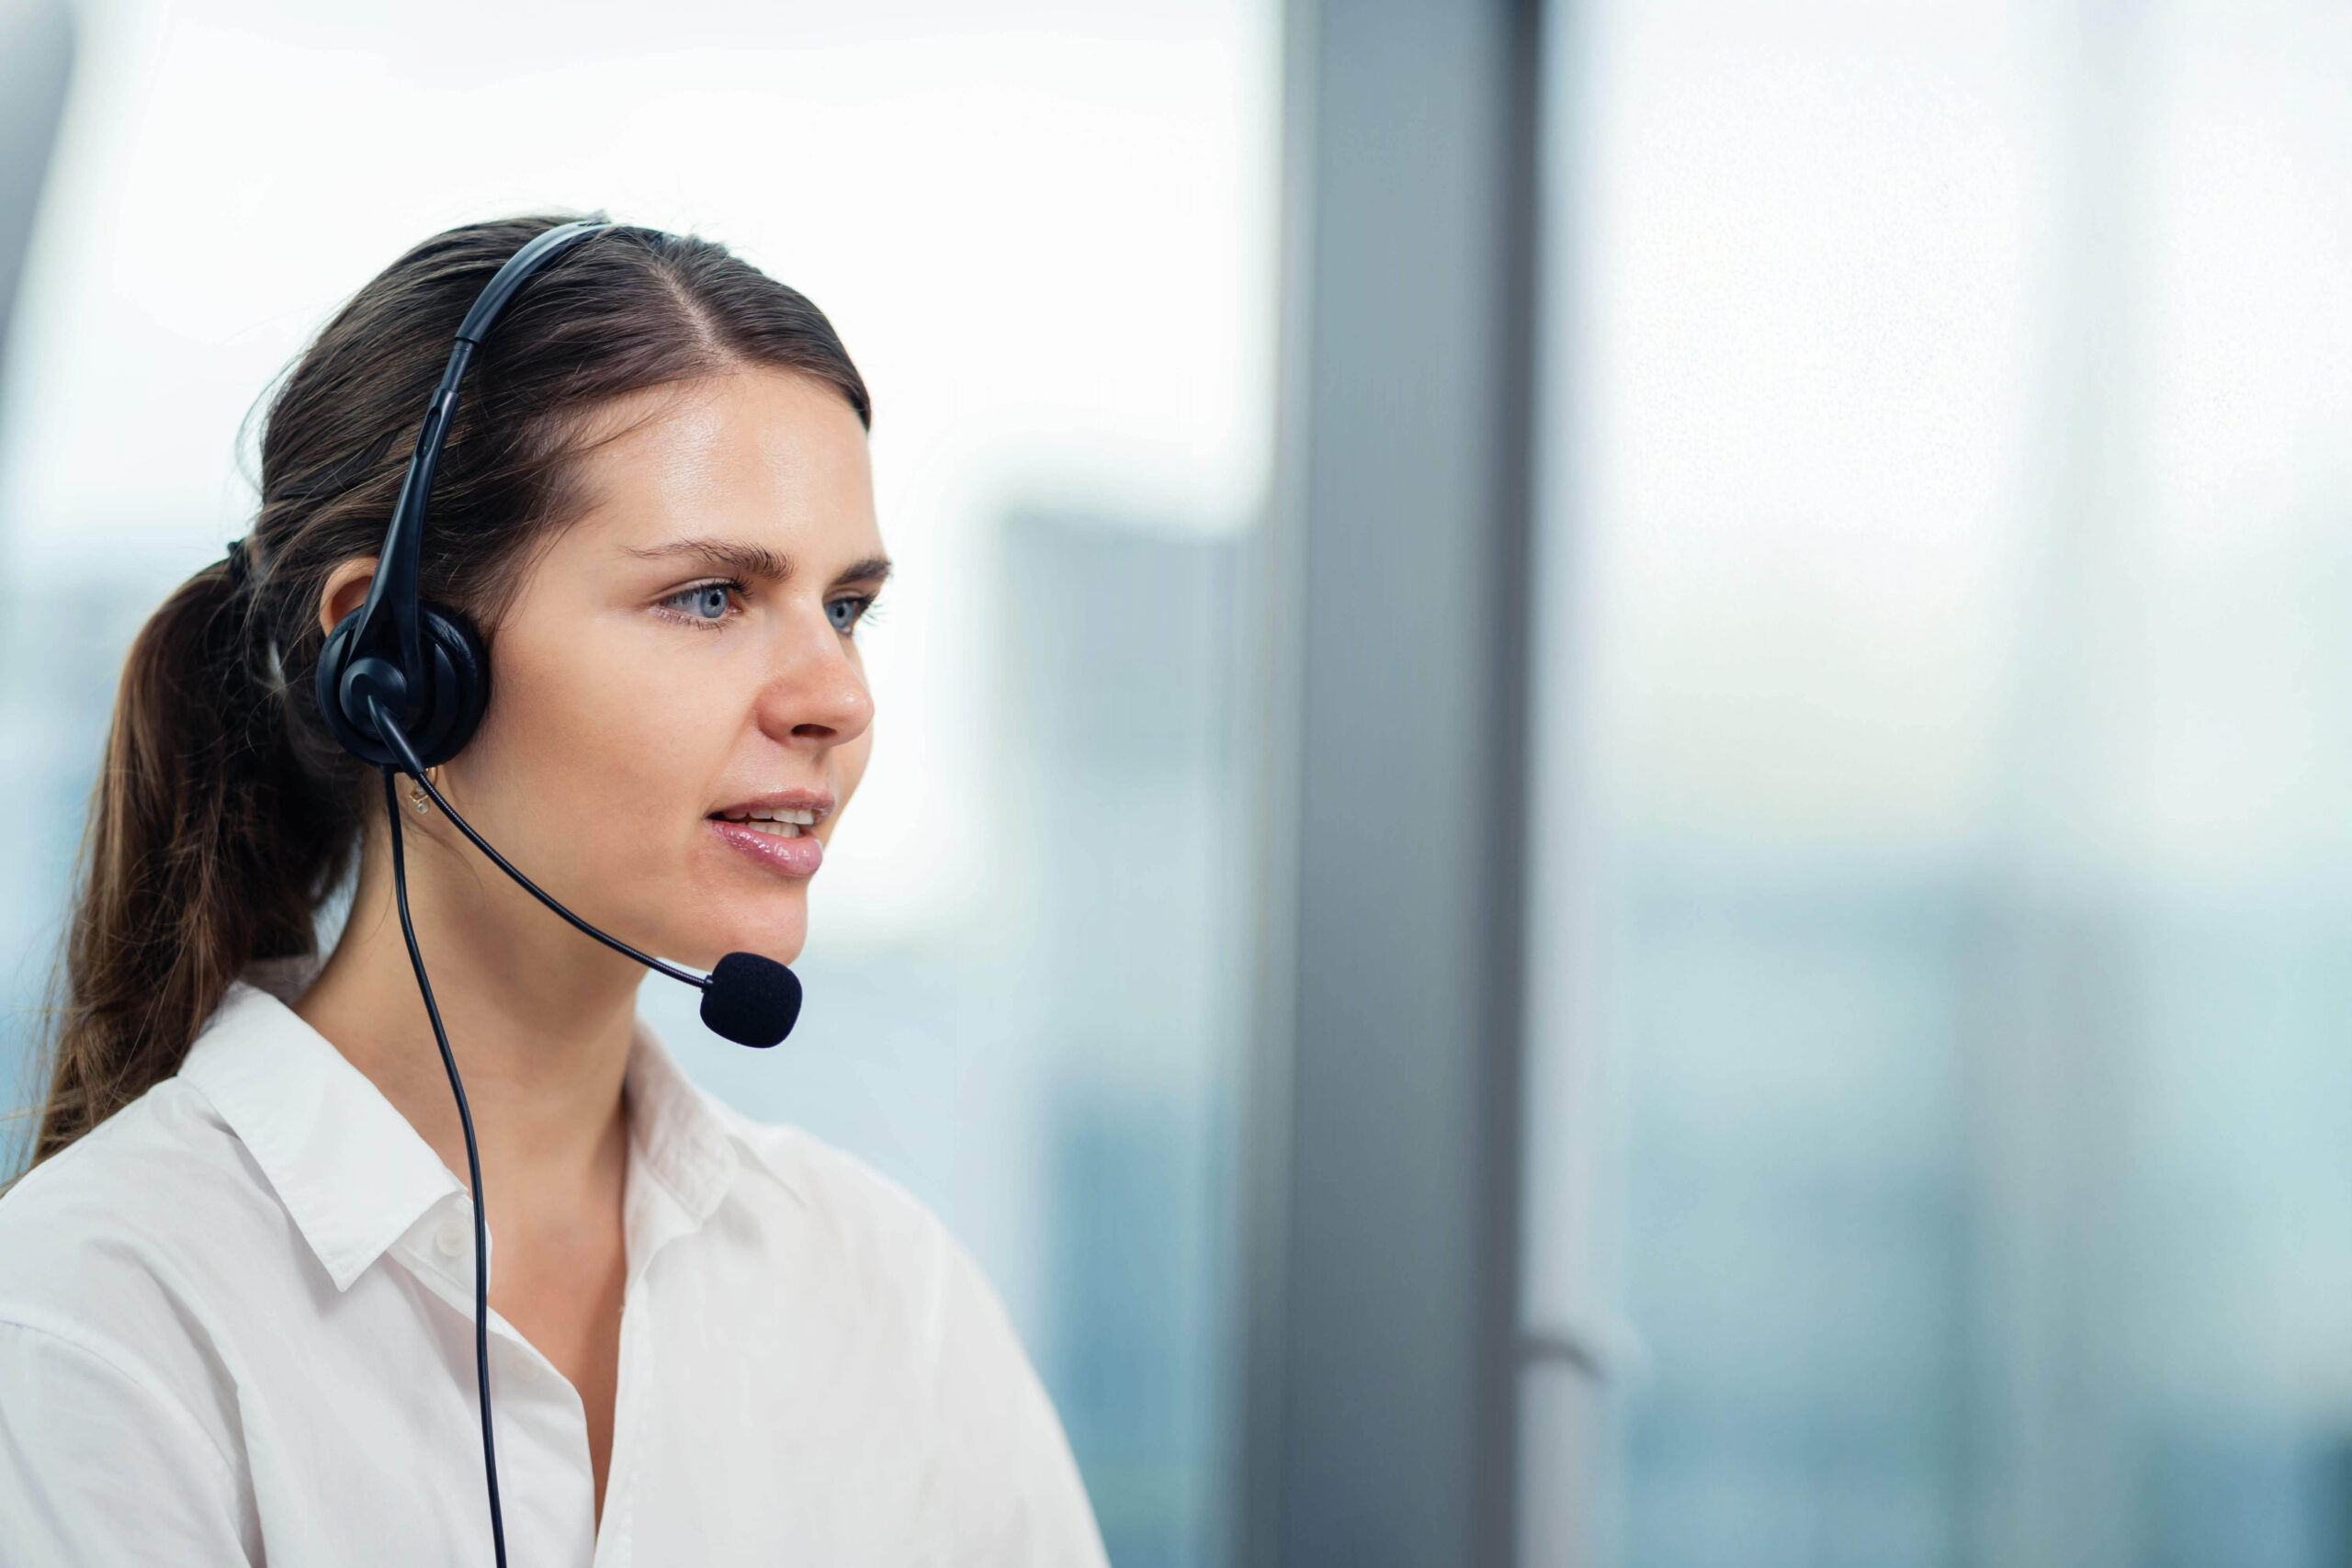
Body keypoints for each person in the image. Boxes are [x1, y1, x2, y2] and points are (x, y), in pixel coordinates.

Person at [0, 216, 1107, 1565]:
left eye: (847, 607)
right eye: (709, 598)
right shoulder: (96, 1319)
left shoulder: (883, 1292)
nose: (837, 697)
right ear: (397, 667)